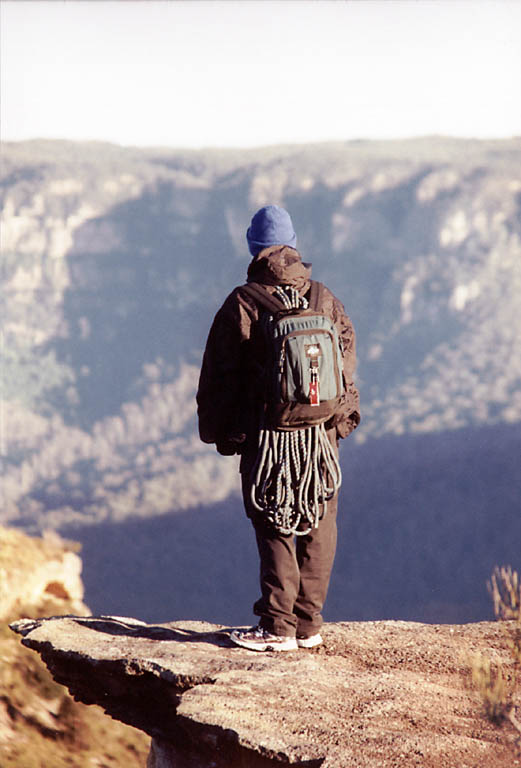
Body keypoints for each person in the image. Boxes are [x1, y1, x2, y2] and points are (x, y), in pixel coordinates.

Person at [196, 205, 360, 652]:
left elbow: (218, 379)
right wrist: (341, 422)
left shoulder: (243, 302)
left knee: (274, 520)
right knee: (319, 521)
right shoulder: (325, 298)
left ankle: (277, 627)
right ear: (292, 245)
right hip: (321, 437)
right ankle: (309, 625)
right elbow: (345, 365)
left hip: (269, 437)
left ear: (253, 248)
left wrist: (224, 435)